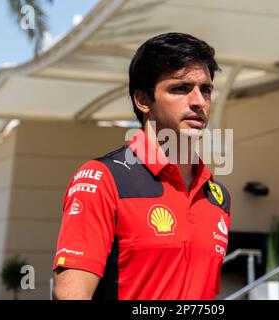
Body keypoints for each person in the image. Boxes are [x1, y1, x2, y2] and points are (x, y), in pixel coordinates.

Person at [52, 32, 232, 300]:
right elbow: (71, 296)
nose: (199, 101)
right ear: (143, 100)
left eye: (205, 89)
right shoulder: (102, 179)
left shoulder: (218, 197)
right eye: (180, 88)